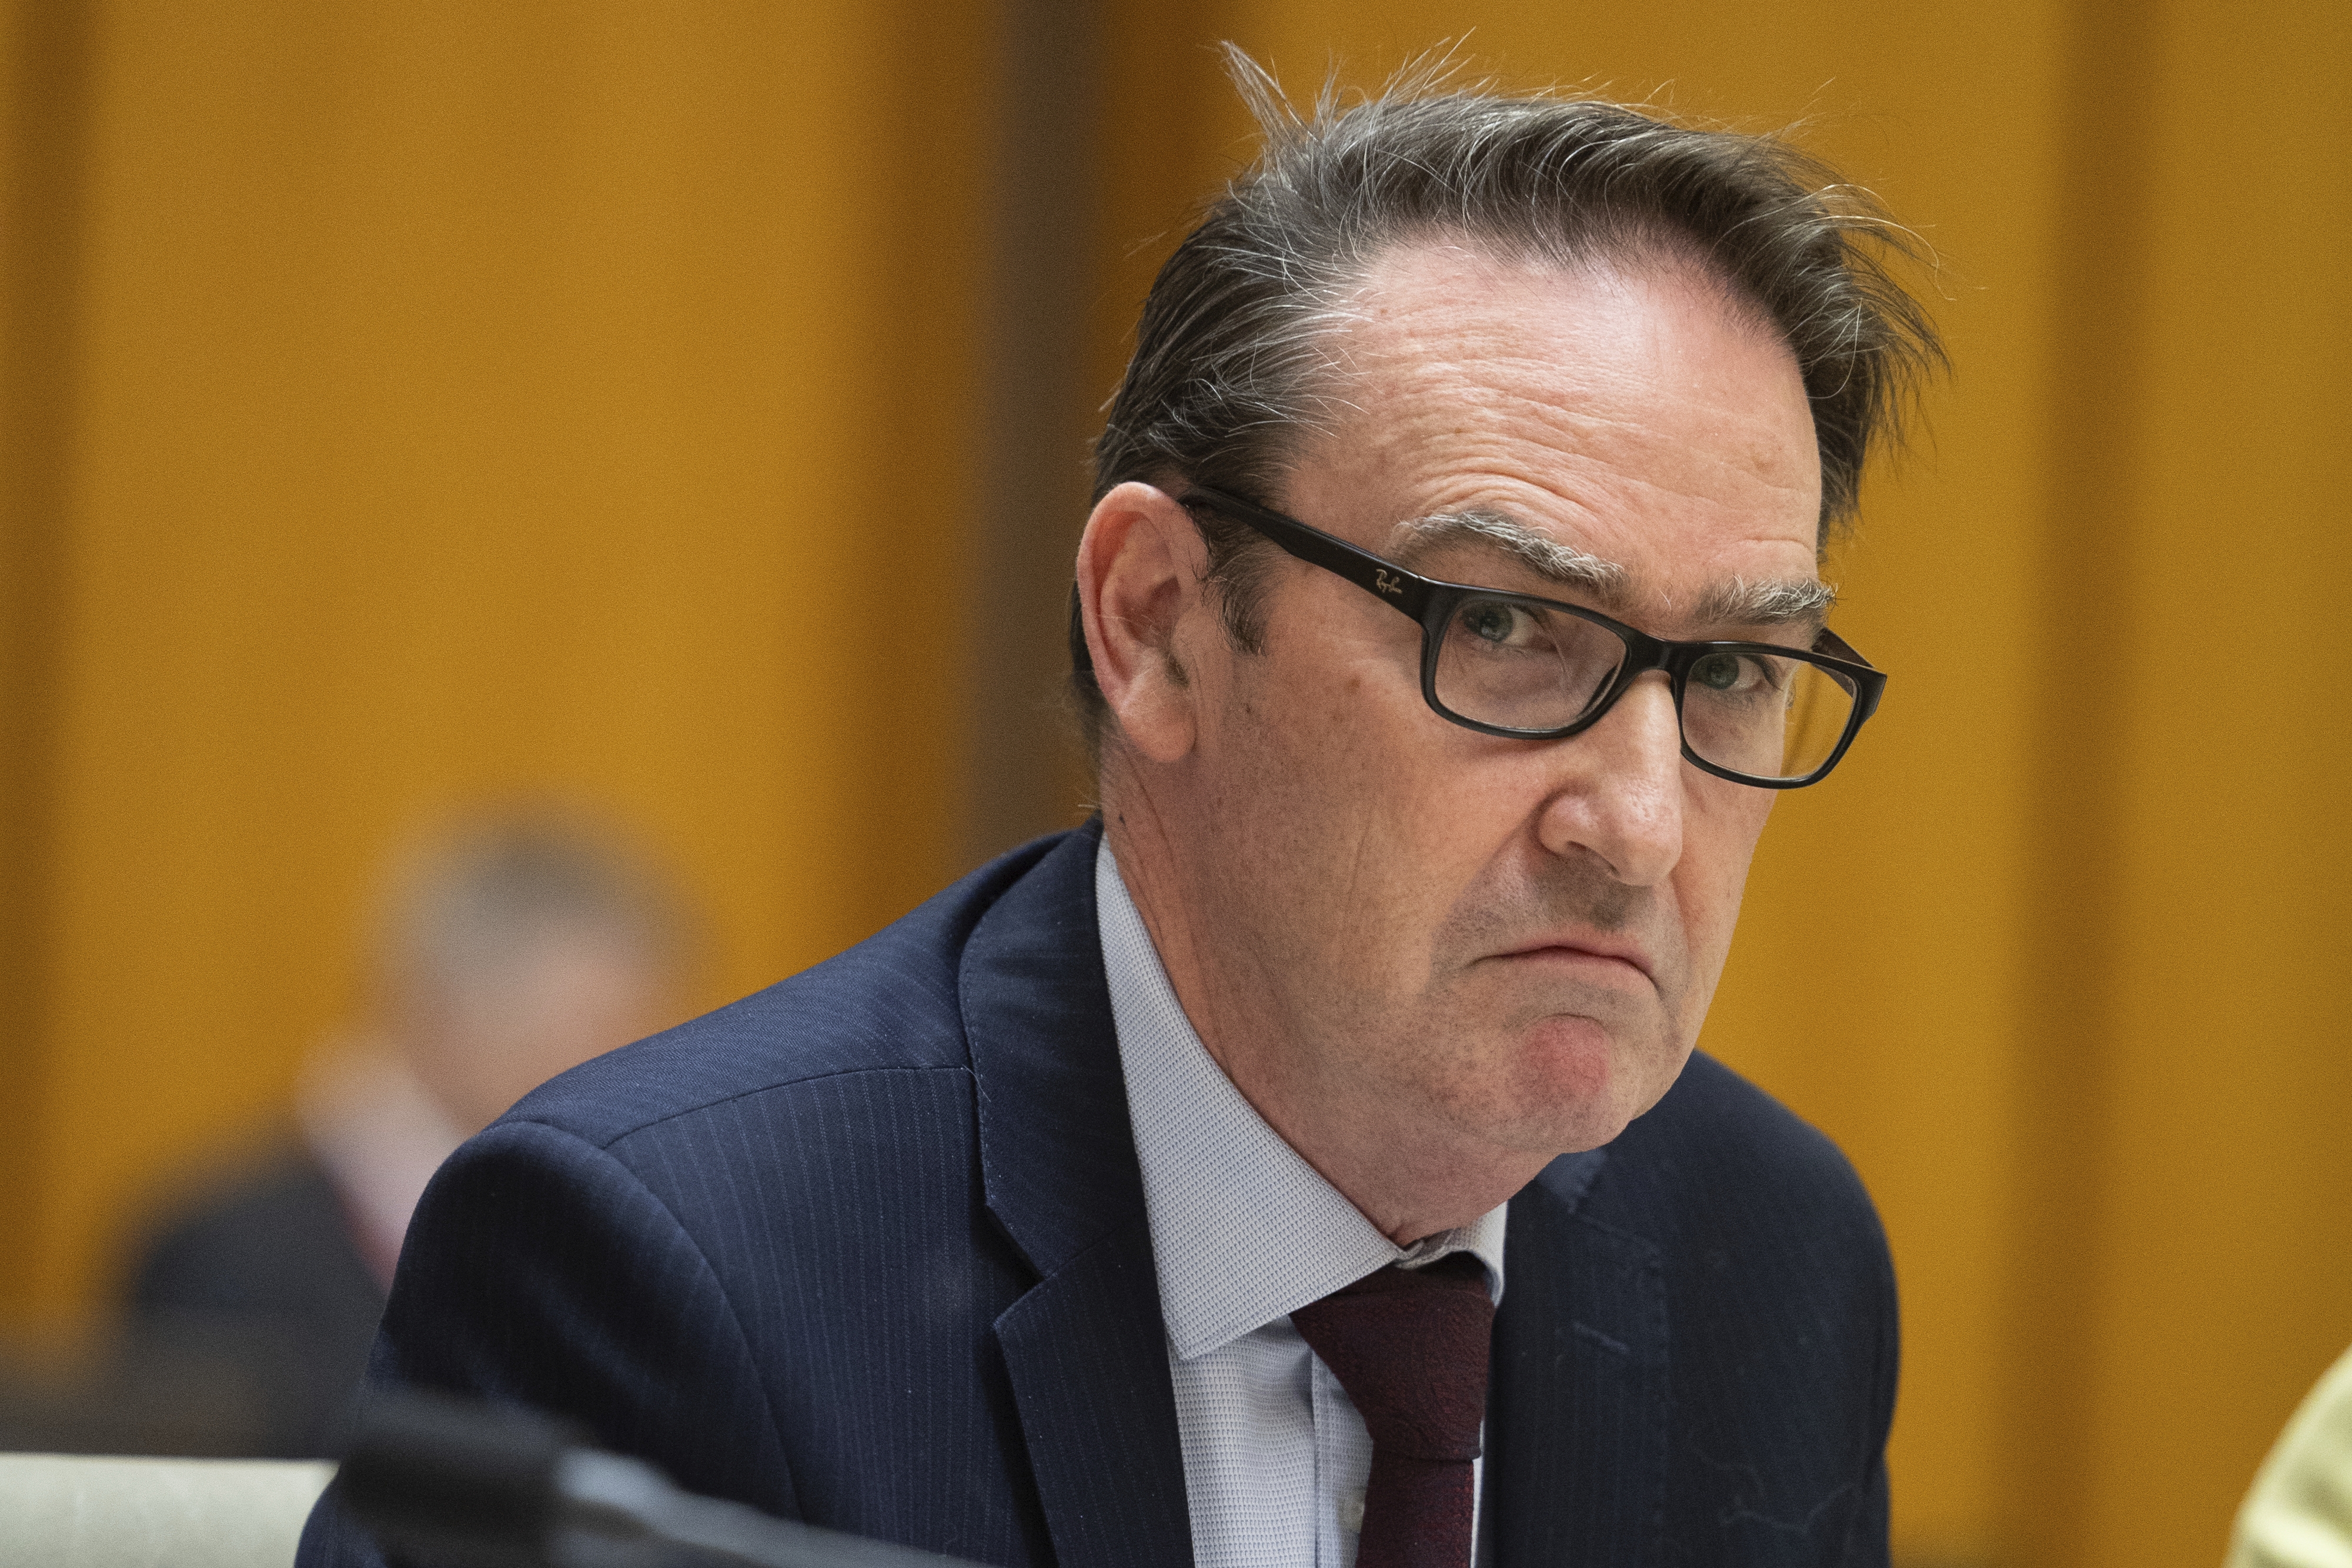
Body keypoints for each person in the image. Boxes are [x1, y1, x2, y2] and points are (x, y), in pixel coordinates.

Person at [301, 54, 1940, 1568]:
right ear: (1157, 622)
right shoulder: (672, 1272)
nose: (1642, 823)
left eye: (1732, 668)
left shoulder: (1767, 1257)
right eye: (1503, 628)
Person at [118, 807, 684, 1457]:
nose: (636, 1064)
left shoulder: (641, 1236)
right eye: (592, 1024)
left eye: (651, 1025)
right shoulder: (224, 1250)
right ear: (438, 1010)